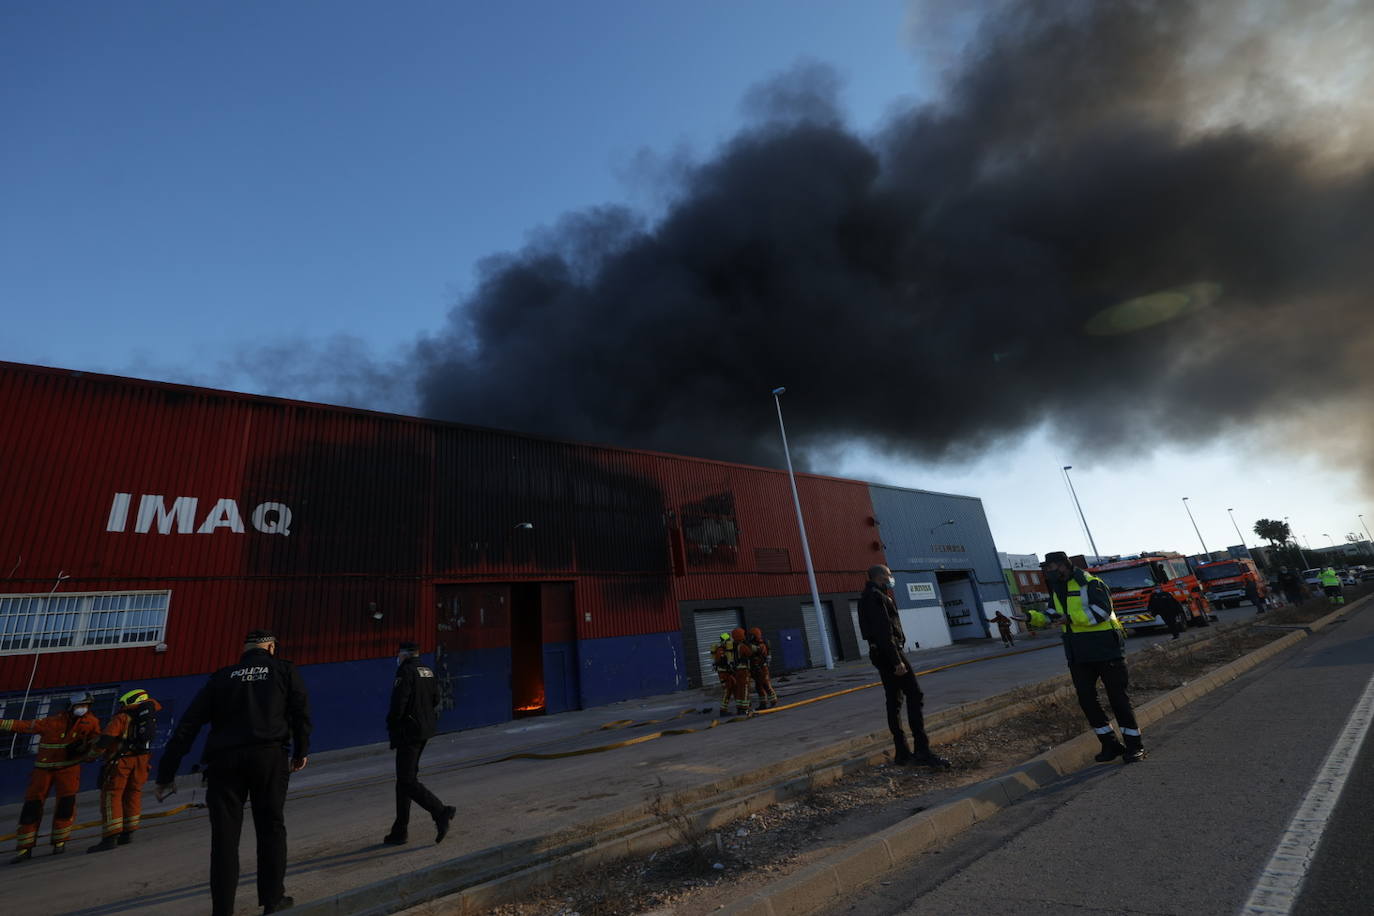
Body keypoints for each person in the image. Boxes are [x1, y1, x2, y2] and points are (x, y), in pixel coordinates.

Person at [155, 629, 311, 916]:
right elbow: (300, 711)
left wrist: (166, 774)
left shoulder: (222, 677)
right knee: (271, 828)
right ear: (271, 647)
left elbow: (188, 726)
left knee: (225, 838)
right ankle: (273, 900)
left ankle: (223, 909)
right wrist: (301, 751)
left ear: (245, 650)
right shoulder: (284, 670)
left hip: (223, 763)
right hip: (268, 757)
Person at [1028, 551, 1144, 763]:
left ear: (1063, 565)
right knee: (1087, 700)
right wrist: (1030, 617)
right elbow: (1052, 615)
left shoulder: (1091, 583)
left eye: (1050, 567)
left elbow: (1101, 611)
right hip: (1078, 653)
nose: (1047, 572)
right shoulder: (1057, 589)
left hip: (1105, 648)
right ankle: (1110, 745)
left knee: (1118, 699)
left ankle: (1135, 746)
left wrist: (1069, 618)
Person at [857, 564, 950, 768]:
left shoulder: (870, 596)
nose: (892, 579)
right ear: (881, 577)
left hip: (882, 653)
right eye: (890, 575)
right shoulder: (875, 597)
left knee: (895, 700)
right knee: (914, 695)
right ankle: (922, 751)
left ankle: (902, 753)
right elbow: (883, 631)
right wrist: (896, 660)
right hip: (889, 653)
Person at [1, 692, 101, 863]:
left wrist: (90, 754)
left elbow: (97, 741)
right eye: (80, 706)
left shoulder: (91, 722)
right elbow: (24, 726)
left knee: (66, 806)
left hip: (69, 769)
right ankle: (25, 848)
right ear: (71, 707)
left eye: (86, 706)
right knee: (31, 808)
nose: (83, 709)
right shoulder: (51, 722)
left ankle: (59, 842)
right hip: (43, 770)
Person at [385, 641, 456, 846]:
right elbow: (435, 699)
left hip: (409, 732)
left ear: (404, 654)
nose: (397, 657)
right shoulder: (427, 671)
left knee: (407, 781)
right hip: (424, 730)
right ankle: (399, 831)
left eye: (398, 654)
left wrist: (392, 724)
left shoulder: (405, 671)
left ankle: (441, 811)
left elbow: (398, 704)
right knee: (404, 780)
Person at [86, 688, 162, 853]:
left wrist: (91, 755)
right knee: (133, 794)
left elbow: (106, 739)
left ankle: (110, 837)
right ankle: (128, 833)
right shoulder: (149, 716)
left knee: (112, 796)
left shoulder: (122, 717)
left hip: (121, 761)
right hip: (142, 761)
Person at [710, 631, 752, 717]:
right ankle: (723, 710)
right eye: (728, 640)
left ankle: (740, 707)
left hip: (728, 673)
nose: (730, 641)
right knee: (727, 691)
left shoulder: (726, 649)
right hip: (724, 674)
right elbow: (722, 662)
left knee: (736, 689)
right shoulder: (721, 650)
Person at [745, 627, 779, 709]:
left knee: (766, 685)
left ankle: (773, 701)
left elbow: (757, 650)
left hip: (762, 668)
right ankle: (763, 704)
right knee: (759, 687)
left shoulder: (761, 644)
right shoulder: (755, 643)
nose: (750, 637)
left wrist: (746, 644)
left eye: (752, 635)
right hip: (757, 669)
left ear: (755, 635)